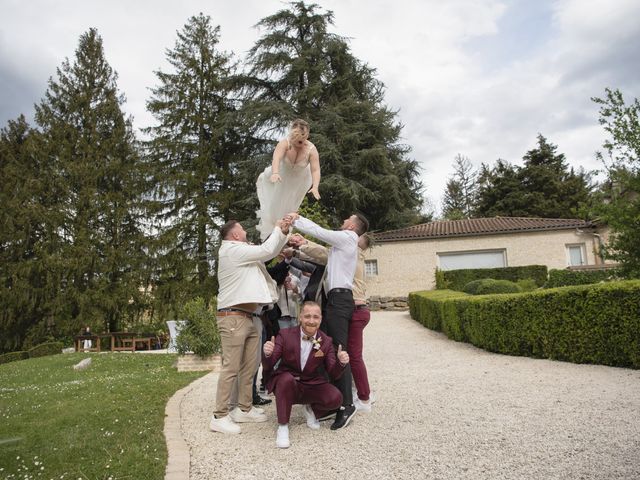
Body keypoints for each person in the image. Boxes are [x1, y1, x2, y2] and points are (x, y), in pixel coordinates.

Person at [287, 211, 369, 430]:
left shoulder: (348, 237)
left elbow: (320, 232)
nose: (342, 221)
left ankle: (347, 405)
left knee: (339, 350)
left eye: (346, 219)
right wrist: (302, 244)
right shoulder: (341, 246)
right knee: (330, 348)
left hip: (341, 299)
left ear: (352, 226)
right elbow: (321, 251)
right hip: (335, 299)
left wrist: (297, 220)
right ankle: (335, 402)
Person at [210, 218, 290, 435]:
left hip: (251, 315)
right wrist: (277, 228)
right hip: (233, 317)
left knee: (249, 367)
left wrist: (283, 232)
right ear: (235, 235)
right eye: (242, 229)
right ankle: (219, 416)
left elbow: (267, 254)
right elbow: (266, 250)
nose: (245, 231)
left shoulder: (243, 251)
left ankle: (244, 409)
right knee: (231, 367)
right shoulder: (231, 250)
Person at [262, 301, 350, 448]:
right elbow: (269, 364)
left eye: (316, 317)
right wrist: (267, 353)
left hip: (311, 384)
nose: (311, 321)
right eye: (307, 316)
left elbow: (333, 374)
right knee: (285, 380)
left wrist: (341, 363)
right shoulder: (285, 335)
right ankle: (283, 426)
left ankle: (311, 409)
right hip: (288, 383)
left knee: (336, 398)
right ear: (300, 317)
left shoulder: (326, 342)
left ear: (320, 319)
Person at [256, 119, 321, 241]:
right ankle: (270, 235)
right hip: (281, 176)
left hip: (300, 180)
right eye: (297, 137)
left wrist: (315, 186)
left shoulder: (311, 149)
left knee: (290, 208)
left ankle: (284, 233)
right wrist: (275, 172)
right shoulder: (284, 143)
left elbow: (315, 170)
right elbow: (276, 158)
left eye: (303, 137)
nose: (300, 141)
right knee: (274, 206)